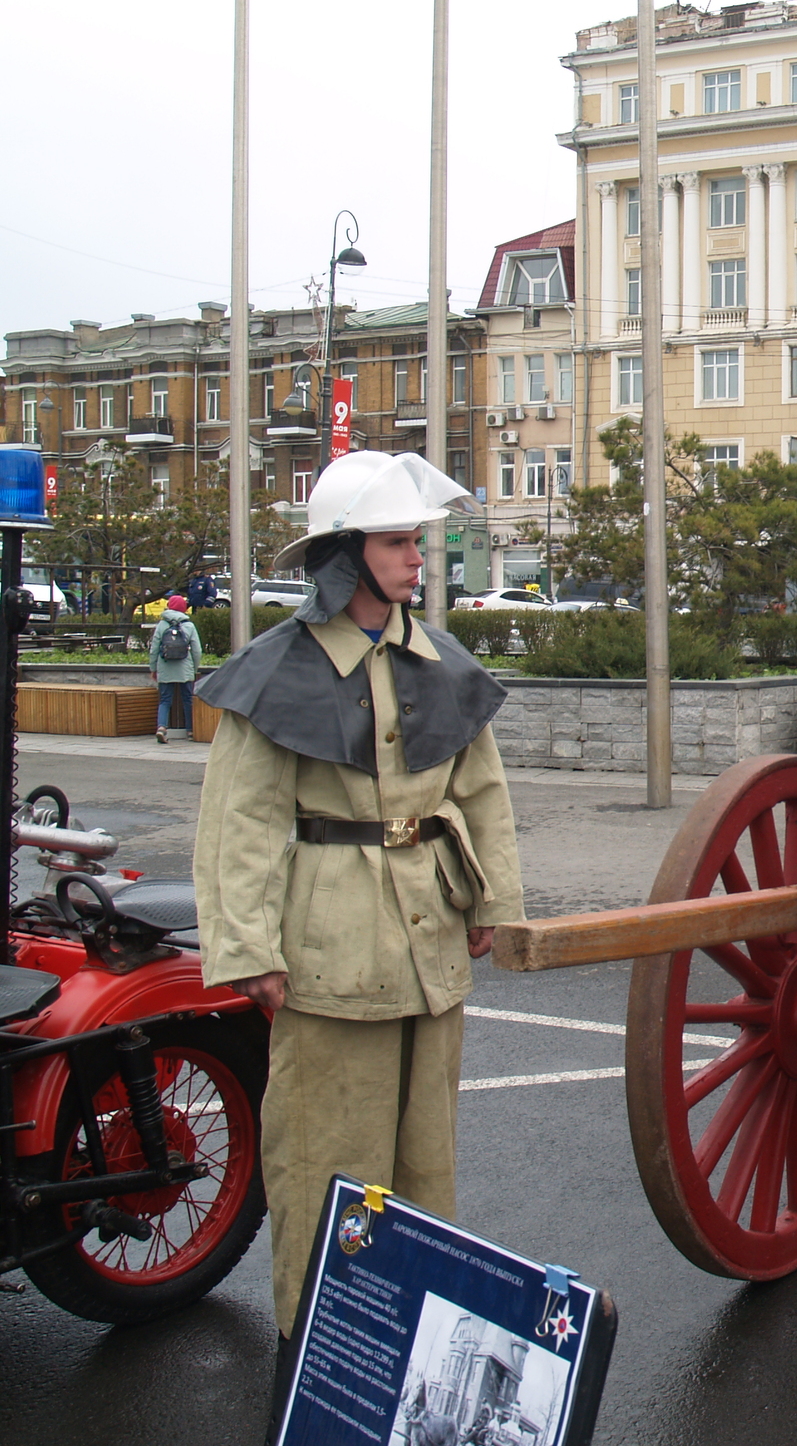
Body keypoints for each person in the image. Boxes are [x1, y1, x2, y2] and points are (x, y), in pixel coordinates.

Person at [192, 451, 524, 1360]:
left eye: (417, 540)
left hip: (431, 945)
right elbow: (243, 825)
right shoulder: (274, 673)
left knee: (426, 1169)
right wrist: (249, 949)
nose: (418, 557)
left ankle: (414, 1357)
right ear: (345, 553)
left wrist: (495, 904)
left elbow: (483, 795)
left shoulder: (442, 662)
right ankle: (322, 1358)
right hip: (330, 951)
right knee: (328, 1166)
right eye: (395, 541)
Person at [148, 593, 202, 742]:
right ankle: (190, 730)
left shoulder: (162, 625)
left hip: (165, 667)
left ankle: (161, 727)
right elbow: (197, 650)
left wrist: (153, 668)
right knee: (188, 699)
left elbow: (154, 649)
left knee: (165, 699)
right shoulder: (189, 625)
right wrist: (194, 668)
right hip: (185, 668)